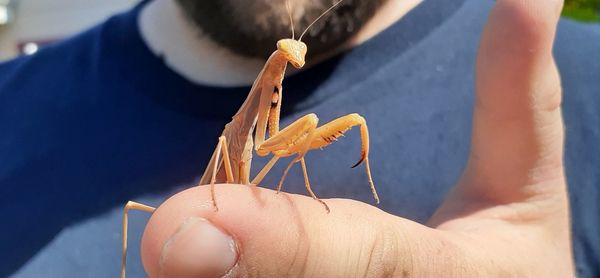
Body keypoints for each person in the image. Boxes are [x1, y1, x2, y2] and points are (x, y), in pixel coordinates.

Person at [0, 0, 598, 277]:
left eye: (295, 50)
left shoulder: (581, 75)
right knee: (144, 215)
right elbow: (263, 148)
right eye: (289, 52)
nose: (296, 54)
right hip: (204, 202)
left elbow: (275, 148)